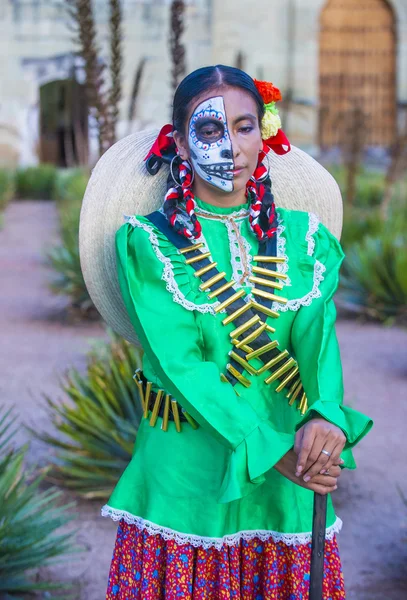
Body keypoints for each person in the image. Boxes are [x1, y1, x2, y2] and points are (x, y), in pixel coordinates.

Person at [83, 65, 373, 599]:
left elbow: (317, 341)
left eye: (245, 127)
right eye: (212, 130)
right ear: (181, 144)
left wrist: (326, 418)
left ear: (264, 135)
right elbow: (180, 365)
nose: (234, 147)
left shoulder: (305, 238)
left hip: (288, 476)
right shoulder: (149, 244)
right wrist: (270, 451)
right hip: (189, 475)